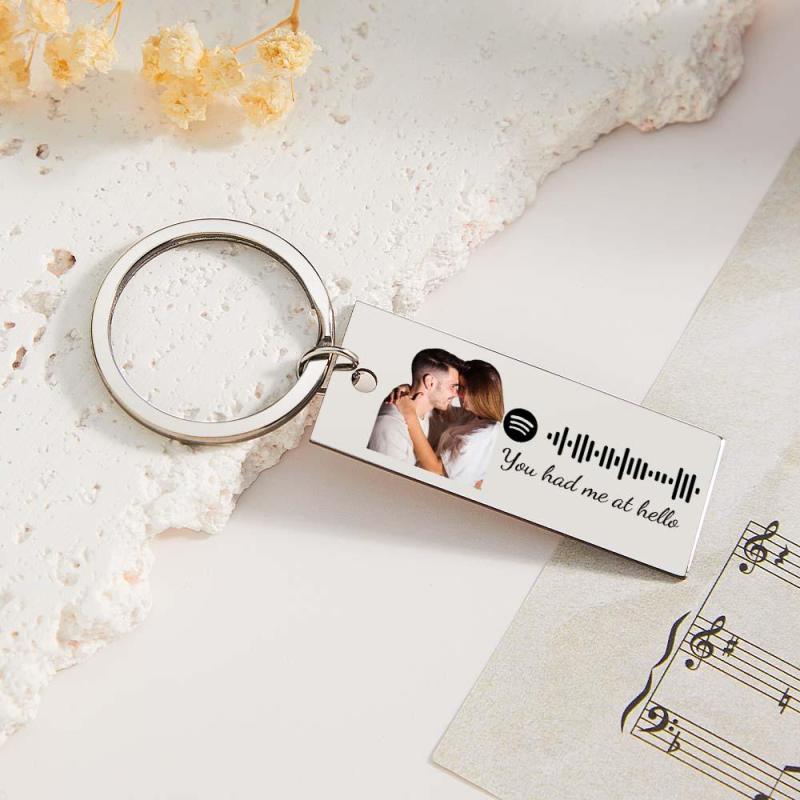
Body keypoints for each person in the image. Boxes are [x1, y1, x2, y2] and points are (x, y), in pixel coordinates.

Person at [395, 359, 504, 489]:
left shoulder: (480, 437)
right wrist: (410, 389)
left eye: (462, 388)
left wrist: (409, 414)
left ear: (478, 392)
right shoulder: (475, 417)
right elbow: (446, 411)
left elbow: (436, 469)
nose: (458, 393)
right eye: (458, 387)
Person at [366, 349, 464, 464]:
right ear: (430, 383)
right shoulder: (391, 428)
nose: (456, 394)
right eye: (453, 386)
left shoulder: (435, 415)